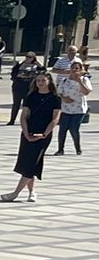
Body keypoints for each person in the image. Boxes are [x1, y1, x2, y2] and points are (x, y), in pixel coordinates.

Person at [5, 69, 60, 202]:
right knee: (29, 162)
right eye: (38, 80)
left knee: (33, 162)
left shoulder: (55, 99)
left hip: (44, 135)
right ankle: (32, 192)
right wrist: (26, 133)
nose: (40, 83)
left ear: (49, 81)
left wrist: (44, 134)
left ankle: (15, 194)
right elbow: (24, 117)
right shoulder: (31, 97)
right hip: (28, 132)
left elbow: (55, 119)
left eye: (43, 80)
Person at [54, 58, 89, 154]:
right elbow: (59, 92)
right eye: (72, 68)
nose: (74, 70)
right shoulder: (65, 80)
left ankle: (78, 148)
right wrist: (63, 98)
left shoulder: (84, 80)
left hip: (79, 109)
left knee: (74, 128)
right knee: (62, 130)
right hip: (66, 108)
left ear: (80, 69)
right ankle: (60, 149)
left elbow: (86, 92)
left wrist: (79, 81)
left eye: (77, 68)